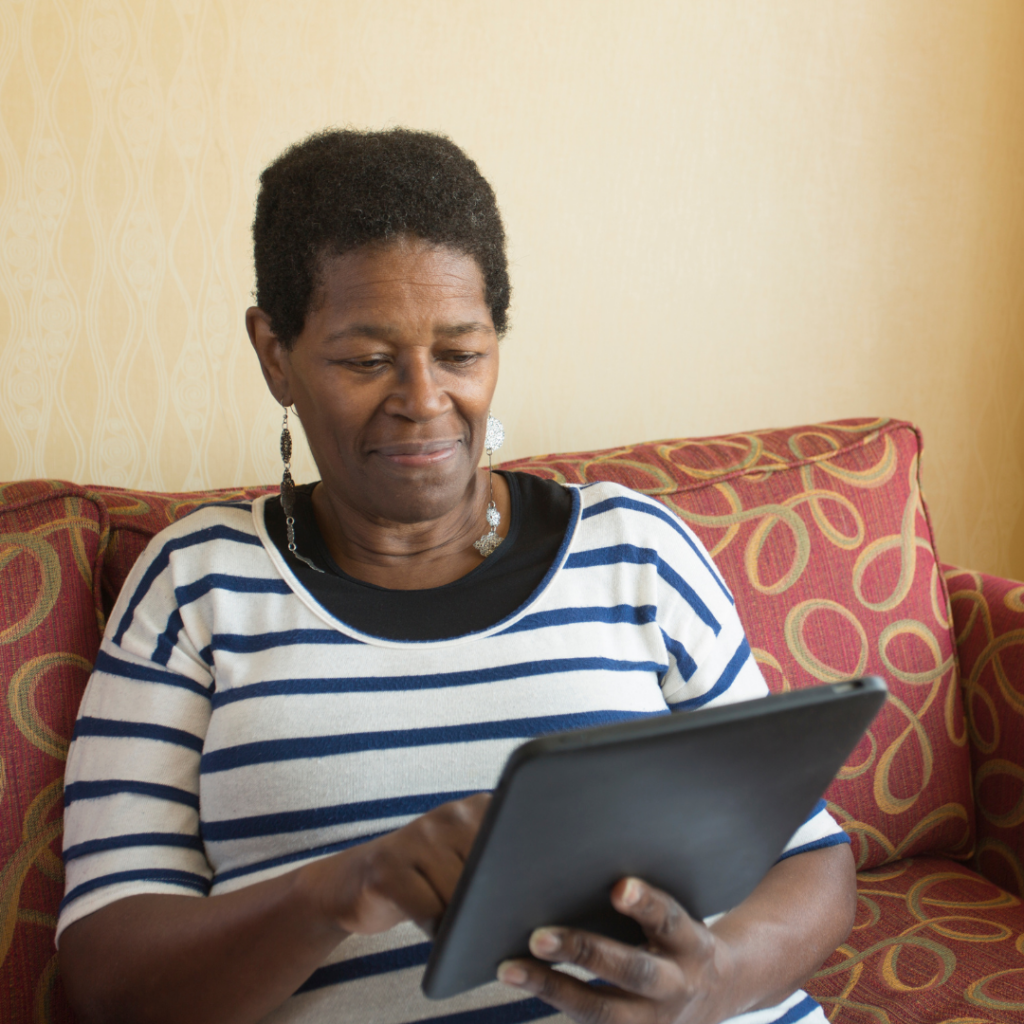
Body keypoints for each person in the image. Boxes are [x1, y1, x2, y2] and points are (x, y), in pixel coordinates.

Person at [57, 128, 856, 1024]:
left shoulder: (637, 551)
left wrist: (715, 981)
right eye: (366, 359)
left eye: (462, 352)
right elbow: (106, 979)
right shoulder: (196, 589)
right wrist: (336, 891)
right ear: (274, 351)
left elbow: (813, 858)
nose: (425, 398)